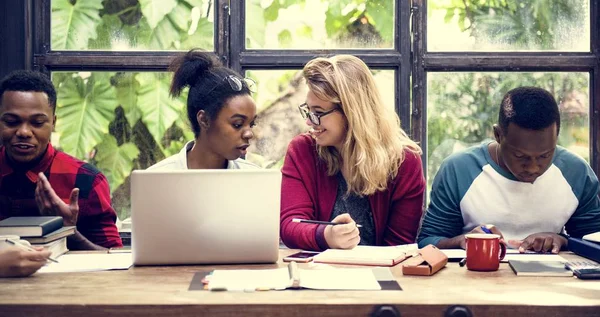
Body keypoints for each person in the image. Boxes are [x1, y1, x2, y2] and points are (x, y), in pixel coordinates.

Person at [418, 86, 600, 253]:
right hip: (474, 280)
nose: (533, 167)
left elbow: (594, 241)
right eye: (521, 156)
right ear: (498, 135)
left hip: (550, 283)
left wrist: (561, 240)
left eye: (545, 155)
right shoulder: (458, 170)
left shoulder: (577, 172)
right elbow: (427, 241)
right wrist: (463, 241)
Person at [280, 55, 425, 251]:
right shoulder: (303, 150)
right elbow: (291, 225)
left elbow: (399, 246)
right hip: (317, 273)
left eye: (318, 112)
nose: (309, 122)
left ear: (352, 112)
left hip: (382, 275)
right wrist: (326, 236)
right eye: (308, 110)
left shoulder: (404, 162)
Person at [0, 70, 122, 250]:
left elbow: (115, 260)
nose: (24, 132)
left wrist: (67, 230)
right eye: (11, 122)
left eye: (37, 123)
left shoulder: (86, 180)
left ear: (53, 123)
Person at [148, 49, 258, 170]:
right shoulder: (159, 177)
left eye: (251, 124)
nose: (249, 134)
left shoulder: (255, 178)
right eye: (237, 124)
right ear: (204, 119)